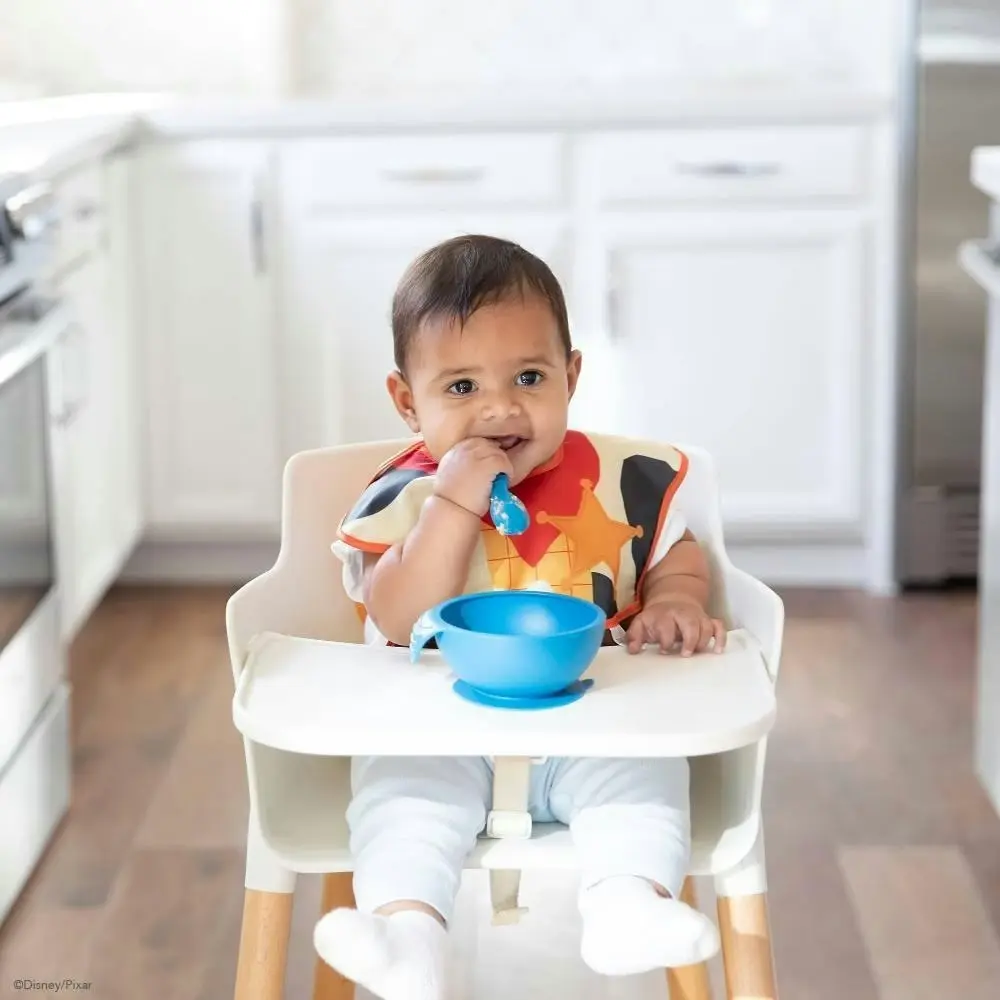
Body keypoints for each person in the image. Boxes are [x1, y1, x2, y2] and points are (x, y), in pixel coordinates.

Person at [314, 234, 726, 1000]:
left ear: (571, 376)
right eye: (461, 388)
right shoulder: (401, 497)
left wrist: (675, 600)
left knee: (645, 780)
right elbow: (398, 615)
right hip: (439, 729)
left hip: (593, 720)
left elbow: (676, 553)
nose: (500, 408)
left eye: (529, 377)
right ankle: (409, 937)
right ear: (409, 402)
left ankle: (625, 904)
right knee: (401, 800)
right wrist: (452, 501)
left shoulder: (621, 479)